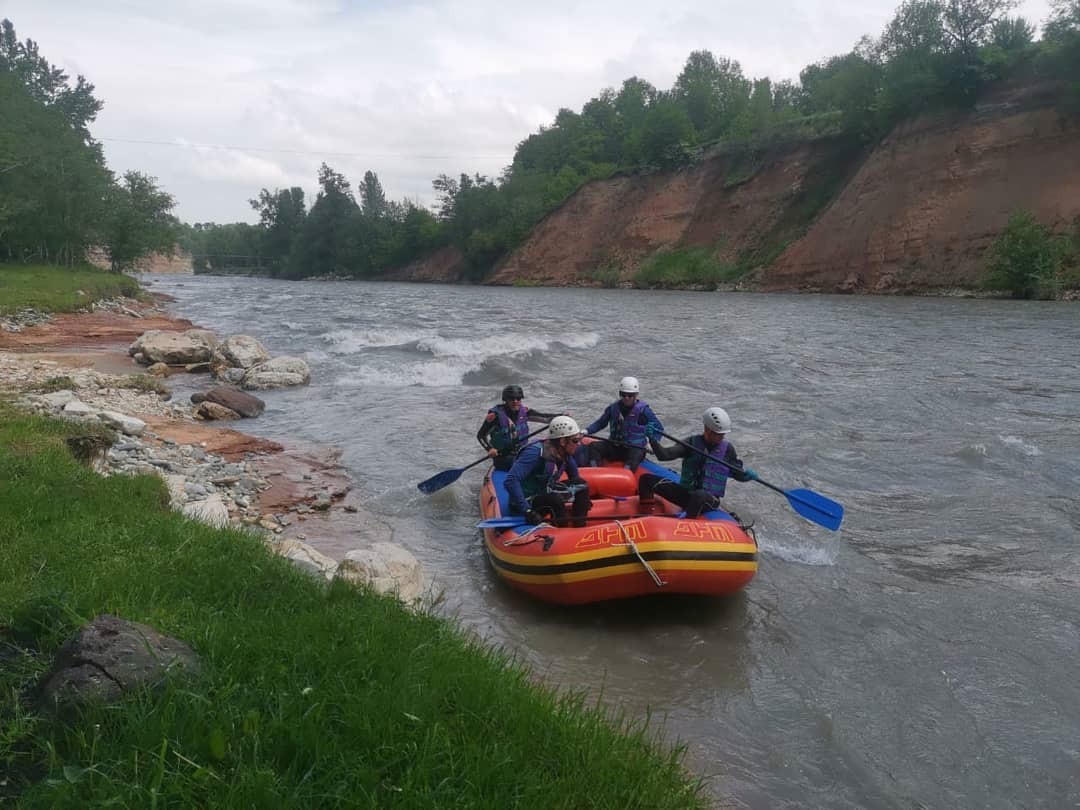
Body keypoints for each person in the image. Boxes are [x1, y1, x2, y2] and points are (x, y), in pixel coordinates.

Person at [638, 406, 758, 518]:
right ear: (707, 429)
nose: (722, 438)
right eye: (719, 435)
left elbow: (737, 473)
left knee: (699, 495)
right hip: (686, 494)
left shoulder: (728, 449)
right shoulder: (691, 443)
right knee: (646, 479)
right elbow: (664, 455)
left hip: (709, 499)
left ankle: (687, 523)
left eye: (723, 435)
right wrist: (653, 440)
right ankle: (646, 516)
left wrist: (746, 476)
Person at [505, 415, 592, 527]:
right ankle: (562, 531)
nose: (578, 444)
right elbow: (511, 481)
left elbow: (574, 478)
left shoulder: (565, 453)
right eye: (575, 440)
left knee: (582, 485)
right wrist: (527, 511)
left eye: (579, 439)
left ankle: (580, 525)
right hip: (528, 501)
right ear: (562, 441)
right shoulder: (534, 453)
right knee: (554, 500)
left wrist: (583, 501)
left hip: (545, 491)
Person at [582, 376, 663, 471]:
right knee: (594, 446)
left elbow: (659, 428)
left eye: (630, 395)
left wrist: (652, 443)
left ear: (636, 395)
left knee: (635, 455)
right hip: (615, 446)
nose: (626, 398)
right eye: (623, 394)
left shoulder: (644, 411)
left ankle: (626, 474)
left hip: (634, 448)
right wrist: (586, 431)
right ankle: (595, 472)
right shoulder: (613, 408)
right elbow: (600, 423)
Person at [477, 384, 563, 471]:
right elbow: (480, 435)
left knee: (550, 456)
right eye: (511, 399)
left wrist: (561, 416)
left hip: (522, 452)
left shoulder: (525, 411)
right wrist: (490, 448)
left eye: (518, 399)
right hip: (503, 457)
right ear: (505, 400)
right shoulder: (495, 416)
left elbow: (545, 417)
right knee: (532, 464)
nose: (515, 401)